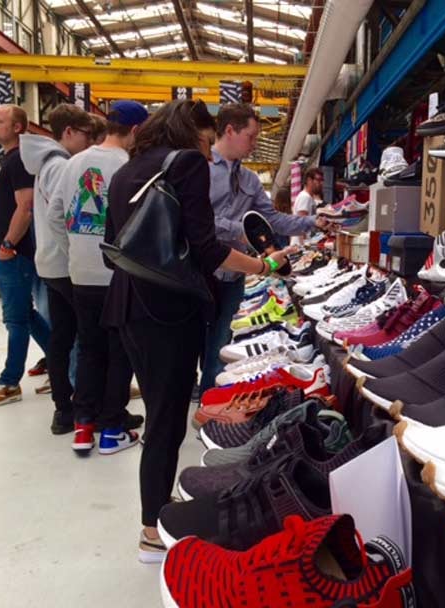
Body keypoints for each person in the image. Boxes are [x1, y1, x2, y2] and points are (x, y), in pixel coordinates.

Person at [103, 99, 291, 563]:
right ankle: (153, 530)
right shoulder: (185, 163)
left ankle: (156, 510)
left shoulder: (128, 169)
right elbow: (207, 250)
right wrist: (264, 266)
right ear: (194, 134)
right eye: (207, 142)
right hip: (168, 311)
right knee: (165, 422)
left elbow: (112, 244)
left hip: (127, 303)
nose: (208, 153)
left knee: (160, 415)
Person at [201, 103, 329, 393]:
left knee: (221, 340)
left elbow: (273, 220)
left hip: (234, 273)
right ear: (230, 131)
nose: (254, 144)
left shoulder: (249, 179)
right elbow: (198, 220)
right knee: (196, 340)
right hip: (202, 270)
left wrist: (313, 222)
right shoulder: (201, 169)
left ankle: (213, 397)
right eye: (251, 136)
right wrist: (240, 231)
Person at [56, 99, 147, 454]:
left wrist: (75, 249)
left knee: (89, 348)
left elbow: (54, 214)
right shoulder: (130, 167)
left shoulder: (73, 163)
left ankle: (83, 426)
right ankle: (111, 429)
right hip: (117, 274)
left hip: (80, 272)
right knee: (120, 351)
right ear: (135, 130)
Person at [20, 103, 94, 435]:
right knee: (88, 338)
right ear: (69, 132)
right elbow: (64, 216)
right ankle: (85, 408)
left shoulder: (45, 163)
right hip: (65, 264)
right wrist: (76, 254)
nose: (89, 142)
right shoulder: (62, 165)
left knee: (61, 337)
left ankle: (64, 409)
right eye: (86, 135)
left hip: (50, 262)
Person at [0, 104, 50, 408]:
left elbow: (26, 206)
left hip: (15, 253)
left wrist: (8, 244)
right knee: (26, 316)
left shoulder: (18, 159)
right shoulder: (11, 159)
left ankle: (9, 382)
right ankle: (61, 364)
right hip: (11, 253)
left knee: (16, 319)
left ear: (17, 127)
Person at [291, 167, 324, 245]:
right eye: (318, 180)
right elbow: (301, 224)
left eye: (322, 180)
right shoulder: (305, 197)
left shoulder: (309, 198)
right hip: (301, 246)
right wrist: (304, 246)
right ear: (309, 180)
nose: (321, 183)